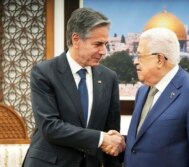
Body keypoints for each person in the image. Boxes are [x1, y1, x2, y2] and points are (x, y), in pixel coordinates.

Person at [22, 7, 125, 167]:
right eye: (98, 44)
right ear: (76, 39)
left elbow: (111, 132)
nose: (104, 51)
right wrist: (100, 138)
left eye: (105, 44)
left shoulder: (109, 77)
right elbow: (50, 127)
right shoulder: (44, 72)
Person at [123, 28, 189, 167]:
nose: (135, 62)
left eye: (140, 56)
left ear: (160, 60)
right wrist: (121, 142)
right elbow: (144, 144)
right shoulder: (143, 91)